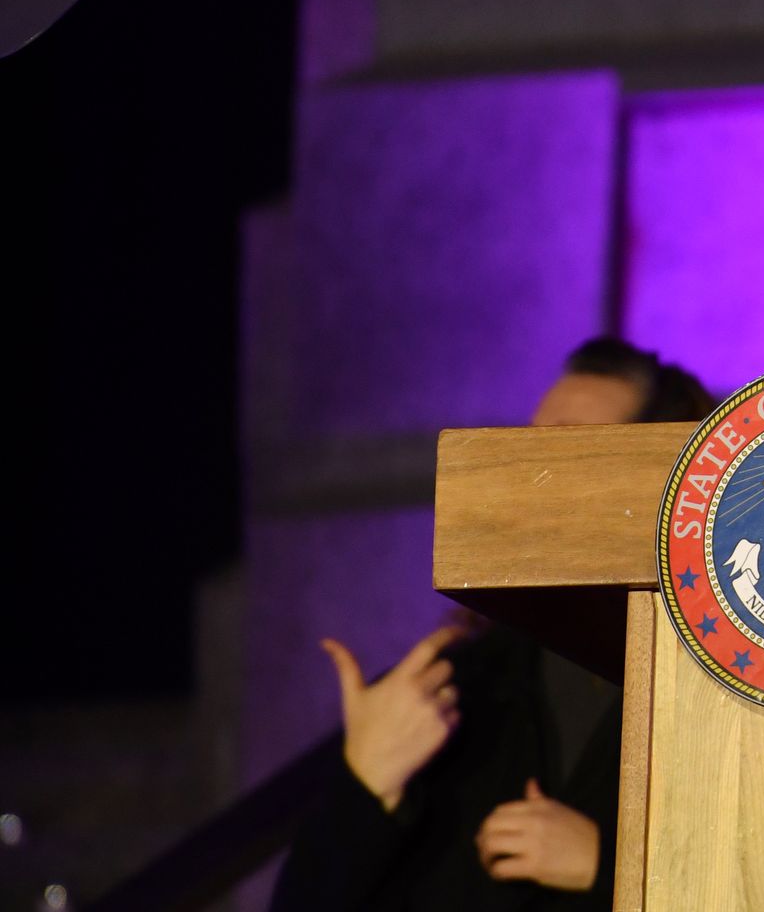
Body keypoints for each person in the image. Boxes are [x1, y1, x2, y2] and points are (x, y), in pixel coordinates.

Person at [270, 339, 715, 912]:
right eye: (526, 446)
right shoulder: (455, 687)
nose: (529, 476)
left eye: (571, 450)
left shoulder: (714, 696)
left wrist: (608, 868)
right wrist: (366, 782)